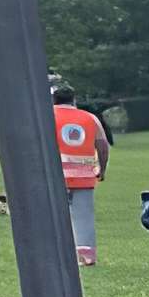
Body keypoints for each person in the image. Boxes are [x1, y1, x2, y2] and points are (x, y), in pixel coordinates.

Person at [50, 84, 109, 265]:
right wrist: (102, 168)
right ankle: (86, 256)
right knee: (84, 217)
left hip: (54, 175)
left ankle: (58, 253)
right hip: (84, 175)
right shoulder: (89, 118)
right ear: (74, 99)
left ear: (53, 100)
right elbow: (103, 145)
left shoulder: (47, 116)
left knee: (54, 215)